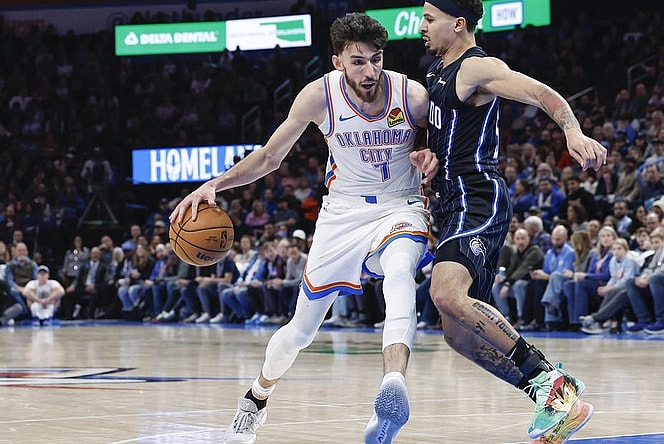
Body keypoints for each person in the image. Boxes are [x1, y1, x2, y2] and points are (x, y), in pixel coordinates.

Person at [170, 13, 438, 444]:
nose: (369, 71)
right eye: (357, 61)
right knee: (301, 330)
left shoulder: (413, 95)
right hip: (342, 213)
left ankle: (393, 386)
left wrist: (431, 156)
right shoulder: (318, 97)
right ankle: (255, 399)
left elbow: (440, 143)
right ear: (337, 62)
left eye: (376, 59)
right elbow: (269, 158)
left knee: (401, 269)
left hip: (398, 205)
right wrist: (214, 184)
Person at [420, 1, 604, 441]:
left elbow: (541, 92)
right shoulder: (435, 70)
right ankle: (555, 399)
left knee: (445, 293)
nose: (422, 27)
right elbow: (443, 133)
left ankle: (551, 383)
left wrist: (571, 130)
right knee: (458, 337)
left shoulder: (478, 68)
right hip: (448, 203)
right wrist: (426, 153)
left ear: (458, 24)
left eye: (430, 19)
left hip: (476, 197)